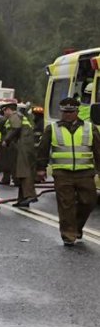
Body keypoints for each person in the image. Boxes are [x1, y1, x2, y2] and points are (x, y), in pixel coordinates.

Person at [36, 97, 100, 246]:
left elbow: (98, 150)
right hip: (62, 173)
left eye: (71, 112)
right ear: (61, 112)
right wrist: (40, 169)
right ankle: (68, 234)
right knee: (66, 204)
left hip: (85, 172)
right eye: (65, 112)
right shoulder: (52, 129)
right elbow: (43, 150)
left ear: (77, 112)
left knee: (89, 201)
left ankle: (76, 226)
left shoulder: (90, 128)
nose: (68, 115)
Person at [0, 103, 20, 186]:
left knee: (13, 162)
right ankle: (6, 178)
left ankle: (16, 180)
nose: (4, 113)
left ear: (8, 110)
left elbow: (15, 129)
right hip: (12, 143)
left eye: (4, 111)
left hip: (15, 143)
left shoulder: (14, 117)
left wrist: (7, 140)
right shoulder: (10, 118)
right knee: (8, 161)